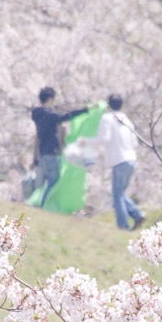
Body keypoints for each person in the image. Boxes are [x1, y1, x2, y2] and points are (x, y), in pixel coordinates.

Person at [31, 86, 90, 205]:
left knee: (48, 182)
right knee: (54, 181)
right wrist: (85, 110)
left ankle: (44, 204)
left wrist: (34, 157)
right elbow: (67, 115)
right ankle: (44, 205)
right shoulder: (50, 115)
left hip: (42, 153)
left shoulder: (37, 114)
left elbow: (37, 136)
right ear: (50, 99)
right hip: (52, 153)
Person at [95, 94, 145, 230]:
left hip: (119, 159)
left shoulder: (107, 118)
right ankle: (137, 214)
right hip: (131, 159)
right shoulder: (127, 120)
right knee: (120, 193)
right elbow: (135, 142)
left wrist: (92, 143)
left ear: (109, 104)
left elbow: (105, 138)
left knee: (117, 195)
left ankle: (123, 225)